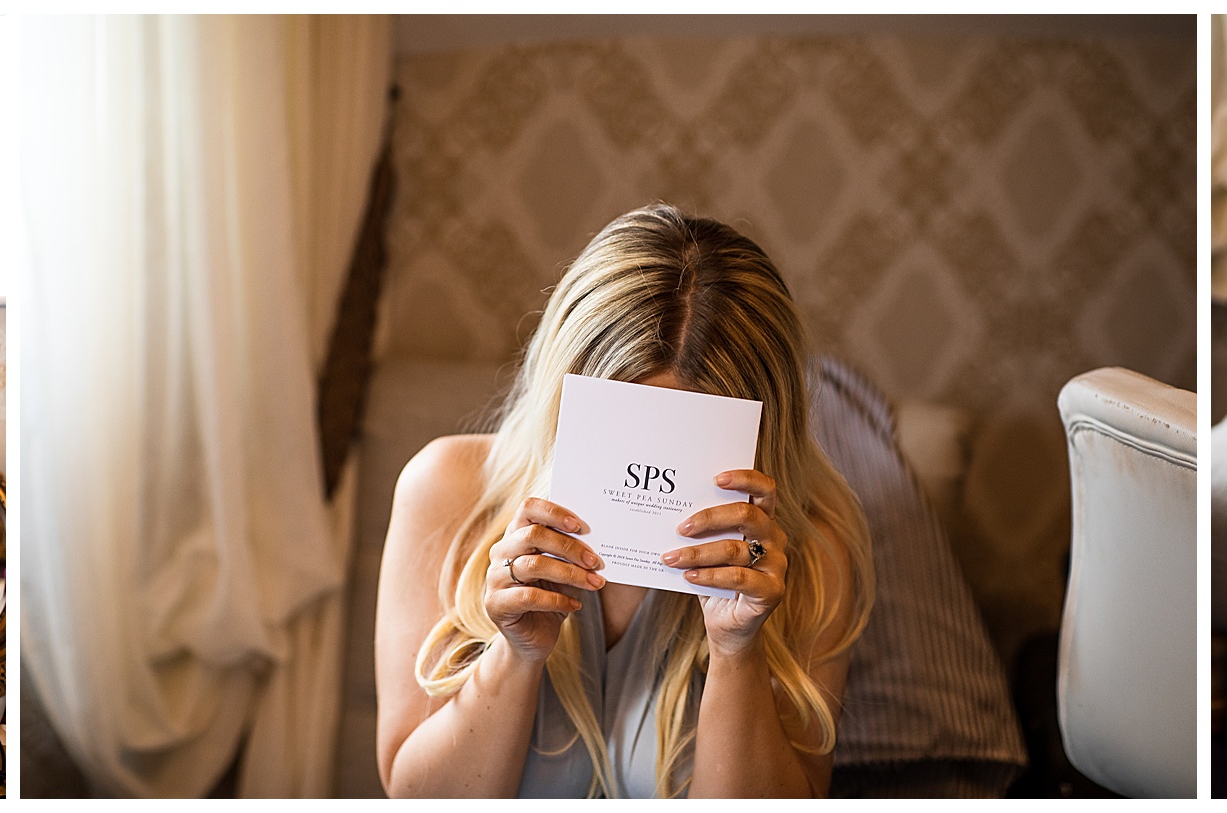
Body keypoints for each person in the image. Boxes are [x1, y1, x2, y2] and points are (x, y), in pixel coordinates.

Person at [373, 204, 874, 797]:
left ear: (764, 430)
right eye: (621, 437)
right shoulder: (448, 490)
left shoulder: (813, 555)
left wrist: (738, 650)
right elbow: (416, 800)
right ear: (563, 394)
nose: (652, 476)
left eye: (690, 446)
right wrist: (515, 655)